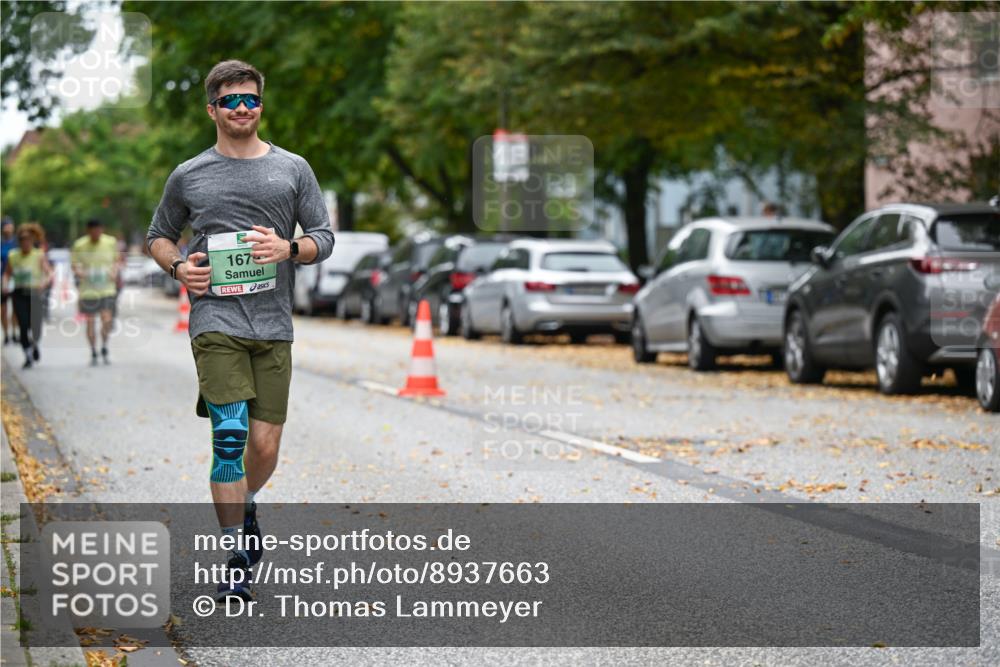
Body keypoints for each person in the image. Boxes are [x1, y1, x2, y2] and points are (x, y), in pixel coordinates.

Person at [146, 60, 334, 602]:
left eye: (251, 99)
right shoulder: (189, 174)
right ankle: (234, 556)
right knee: (229, 436)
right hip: (215, 321)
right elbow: (159, 236)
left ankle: (245, 504)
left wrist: (288, 248)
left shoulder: (293, 169)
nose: (243, 109)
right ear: (212, 110)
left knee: (265, 444)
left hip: (273, 324)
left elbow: (323, 235)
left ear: (261, 105)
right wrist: (180, 267)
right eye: (230, 101)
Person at [71, 219, 121, 365]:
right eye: (93, 231)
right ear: (88, 231)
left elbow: (117, 260)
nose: (96, 234)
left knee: (107, 320)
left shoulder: (110, 242)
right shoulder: (80, 245)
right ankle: (93, 351)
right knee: (90, 322)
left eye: (99, 230)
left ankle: (104, 345)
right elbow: (74, 265)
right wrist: (81, 273)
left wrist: (114, 272)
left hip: (107, 289)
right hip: (88, 291)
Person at [3, 223, 53, 368]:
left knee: (35, 325)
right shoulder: (13, 256)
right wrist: (5, 284)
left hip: (34, 292)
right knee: (23, 325)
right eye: (22, 240)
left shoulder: (38, 255)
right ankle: (28, 354)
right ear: (19, 242)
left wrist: (44, 283)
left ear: (32, 241)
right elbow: (7, 274)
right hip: (19, 293)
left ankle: (34, 343)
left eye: (28, 240)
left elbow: (48, 273)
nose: (25, 243)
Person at [1, 218, 16, 345]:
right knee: (3, 309)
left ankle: (15, 332)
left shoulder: (18, 243)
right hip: (2, 278)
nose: (8, 229)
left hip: (16, 279)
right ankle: (6, 335)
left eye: (10, 226)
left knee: (16, 308)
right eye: (6, 227)